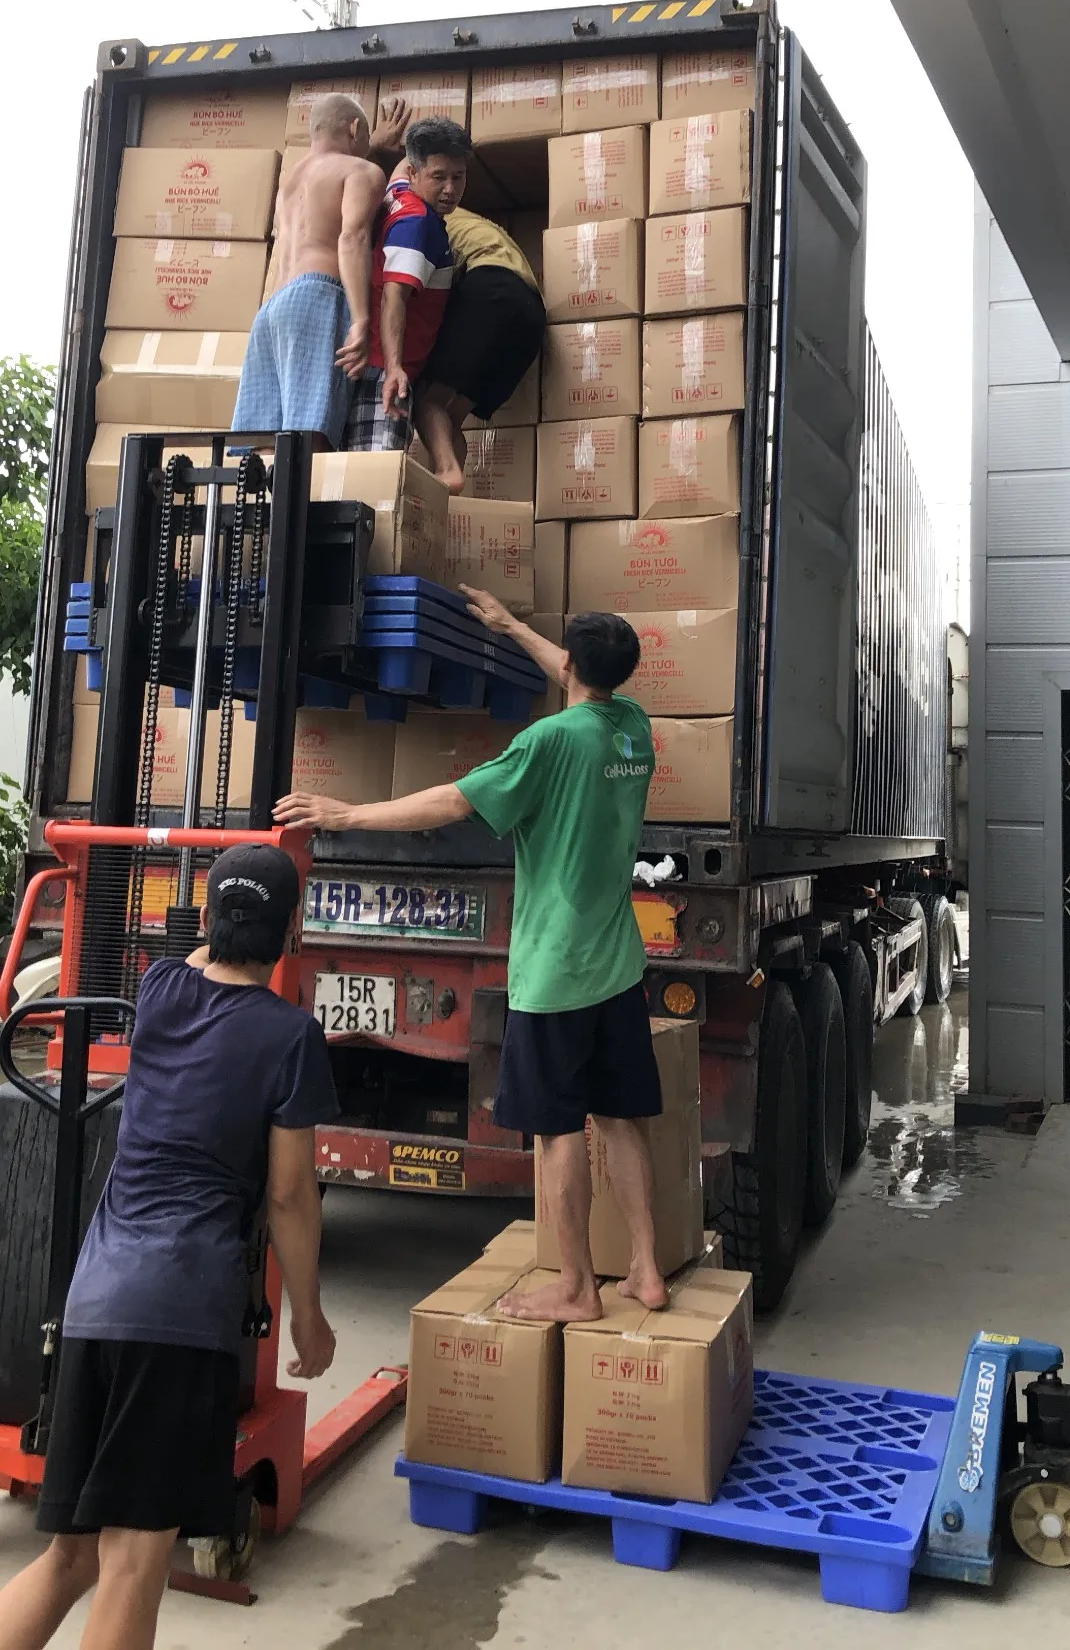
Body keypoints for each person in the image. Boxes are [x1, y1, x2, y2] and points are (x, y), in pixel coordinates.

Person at [276, 602, 667, 1326]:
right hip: (616, 965)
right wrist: (513, 628)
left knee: (557, 1131)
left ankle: (577, 1287)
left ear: (572, 667)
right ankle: (645, 1270)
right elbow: (575, 672)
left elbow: (454, 802)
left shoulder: (548, 742)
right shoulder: (633, 727)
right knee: (621, 1119)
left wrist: (345, 815)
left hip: (554, 973)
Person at [0, 846, 340, 1650]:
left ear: (208, 921)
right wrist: (308, 1316)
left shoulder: (159, 989)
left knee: (71, 1556)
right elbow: (289, 1195)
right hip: (180, 1317)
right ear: (293, 930)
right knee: (133, 1563)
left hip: (95, 1303)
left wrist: (228, 911)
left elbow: (200, 952)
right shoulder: (290, 1037)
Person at [230, 91, 405, 450]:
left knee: (264, 444)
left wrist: (372, 145)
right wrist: (361, 319)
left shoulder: (291, 181)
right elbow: (352, 237)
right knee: (311, 440)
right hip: (317, 298)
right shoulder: (362, 171)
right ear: (353, 128)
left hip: (272, 310)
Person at [344, 117, 467, 472]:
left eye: (458, 177)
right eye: (439, 177)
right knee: (375, 481)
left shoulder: (398, 194)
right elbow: (394, 297)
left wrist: (380, 144)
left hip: (374, 366)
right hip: (385, 375)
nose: (450, 189)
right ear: (416, 173)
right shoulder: (417, 224)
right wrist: (394, 368)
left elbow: (401, 166)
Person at [421, 205, 547, 489]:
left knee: (427, 400)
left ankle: (447, 473)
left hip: (491, 286)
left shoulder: (415, 214)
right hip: (531, 312)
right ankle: (450, 497)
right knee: (451, 417)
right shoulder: (469, 220)